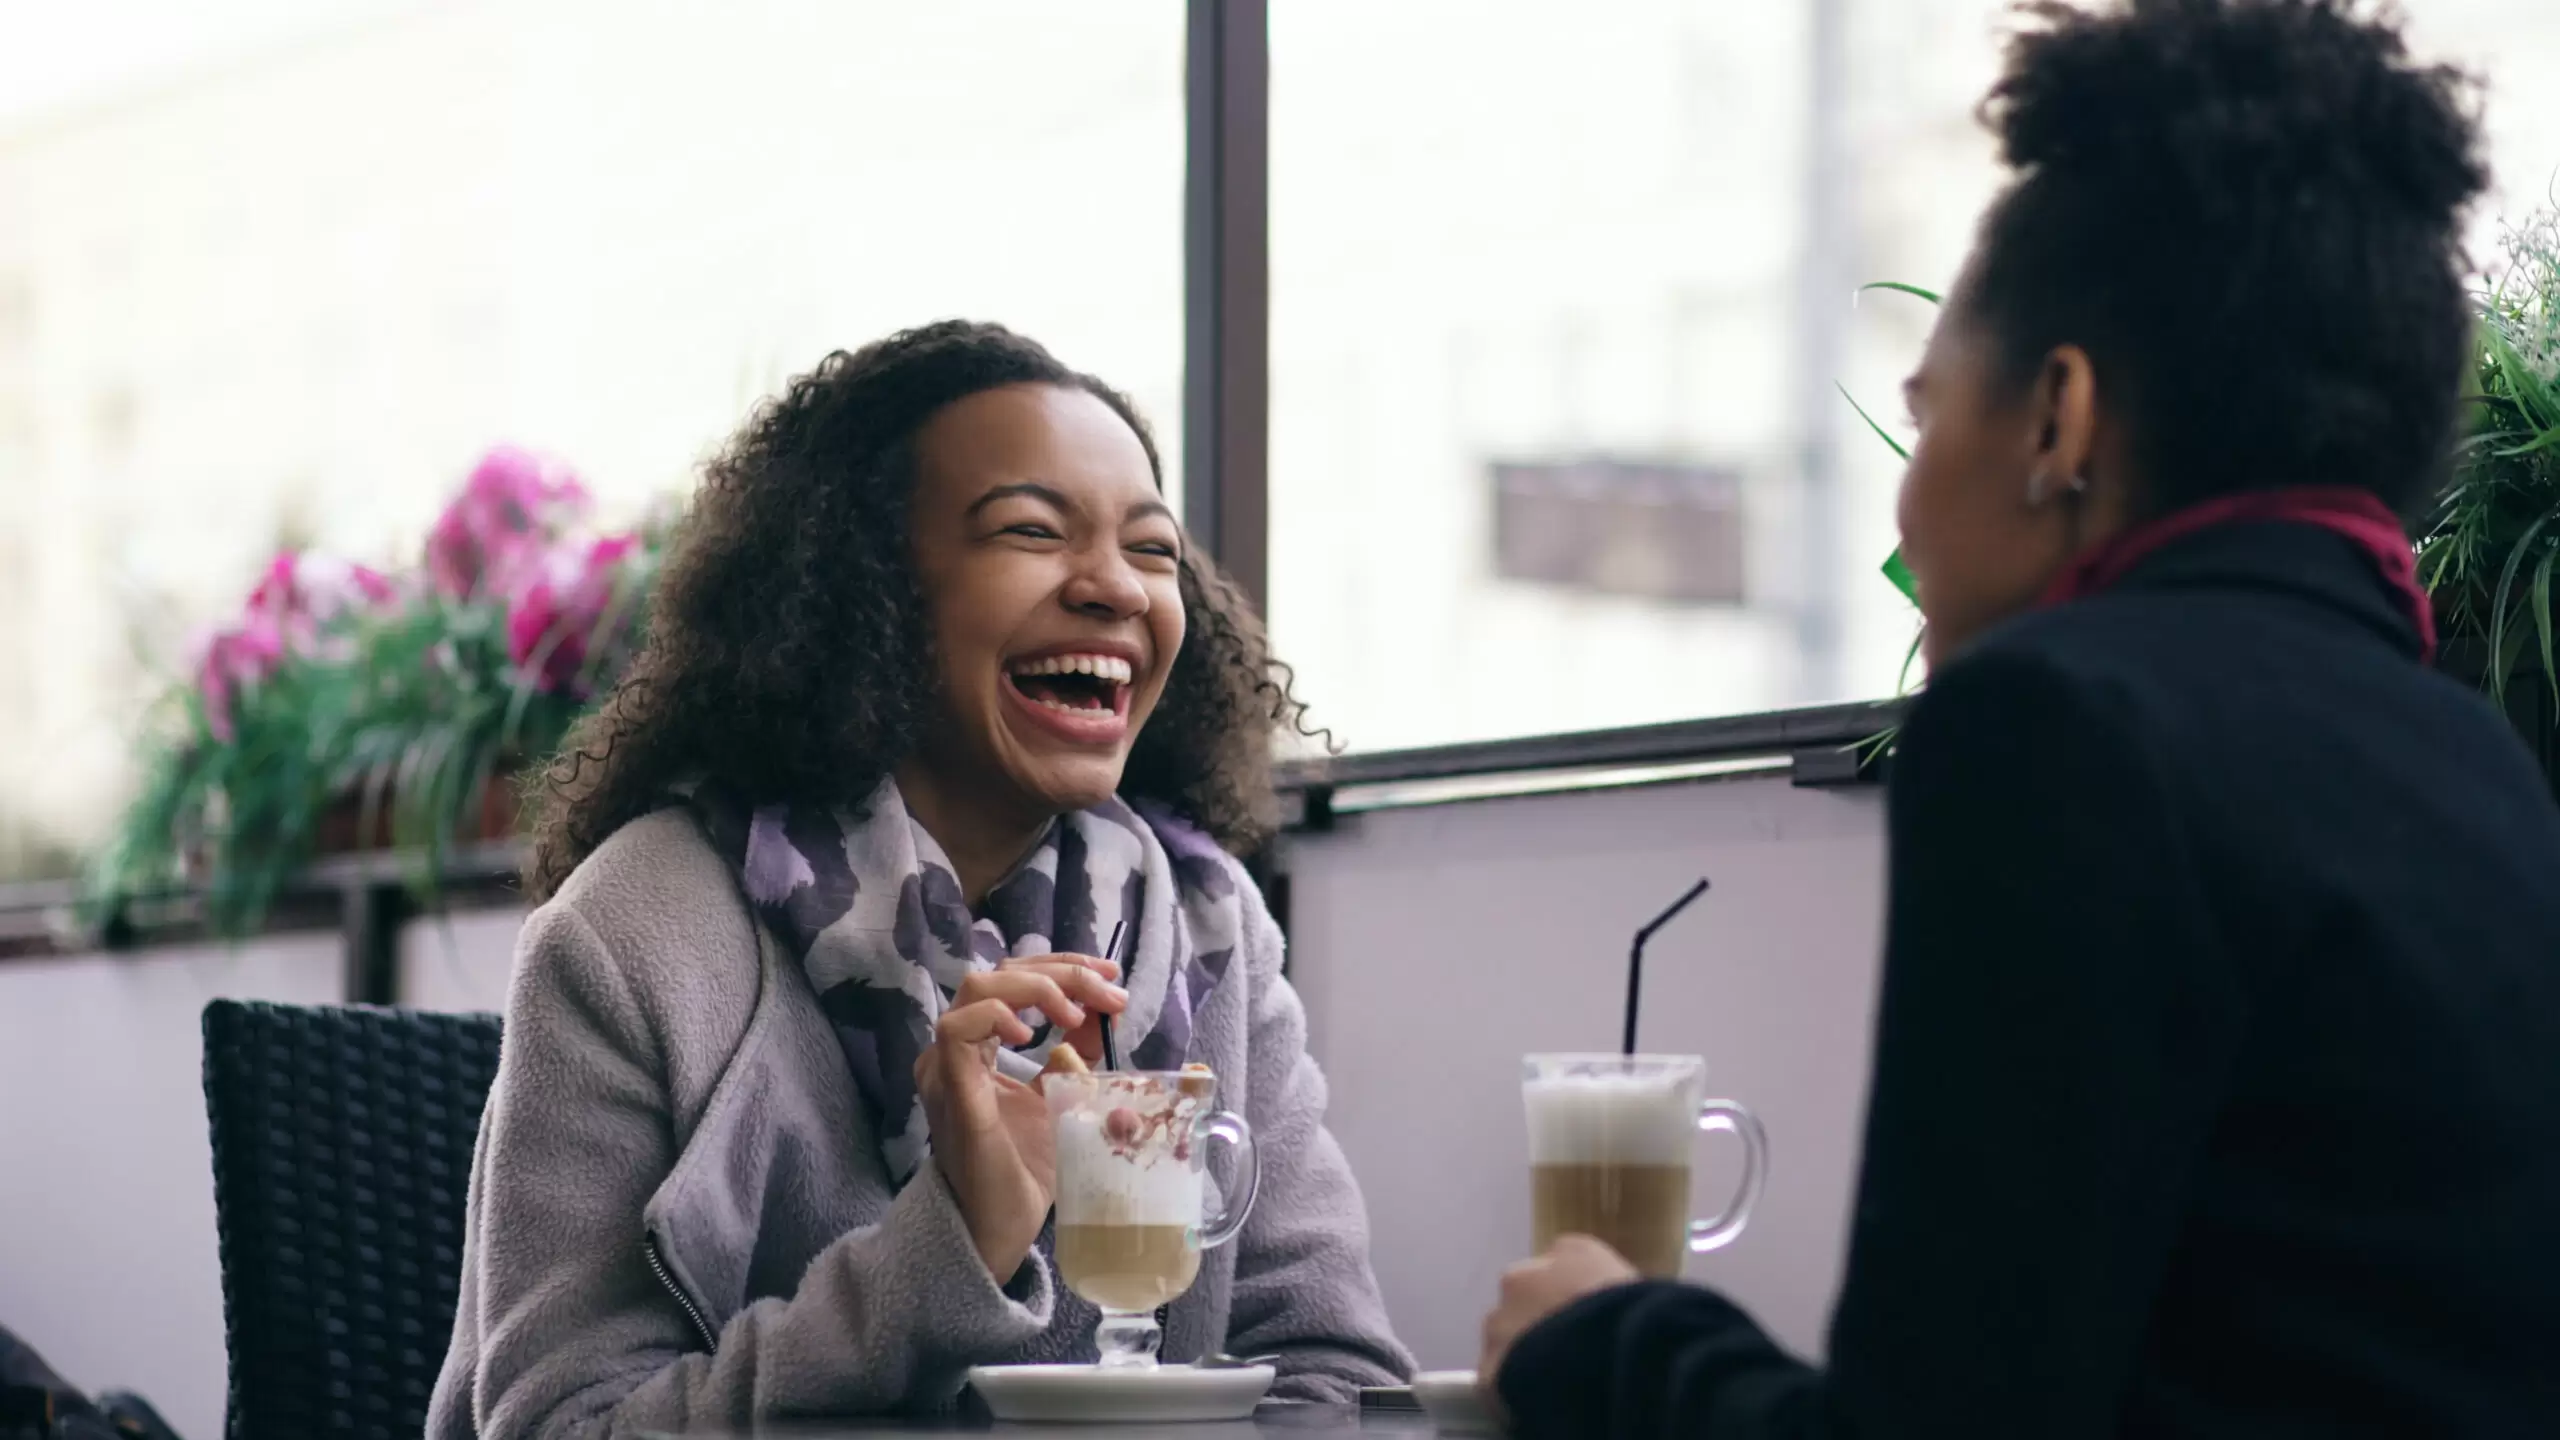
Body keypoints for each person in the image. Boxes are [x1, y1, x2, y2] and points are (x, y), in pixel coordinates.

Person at [1478, 1, 2560, 1434]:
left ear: (2059, 418)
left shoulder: (2061, 727)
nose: (1908, 497)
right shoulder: (2478, 761)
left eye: (1926, 416)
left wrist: (1600, 1341)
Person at [427, 321, 1412, 1438]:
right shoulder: (634, 937)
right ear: (868, 594)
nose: (1115, 589)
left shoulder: (1207, 926)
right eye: (1032, 532)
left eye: (1151, 550)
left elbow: (1332, 1368)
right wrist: (954, 1245)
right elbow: (560, 1425)